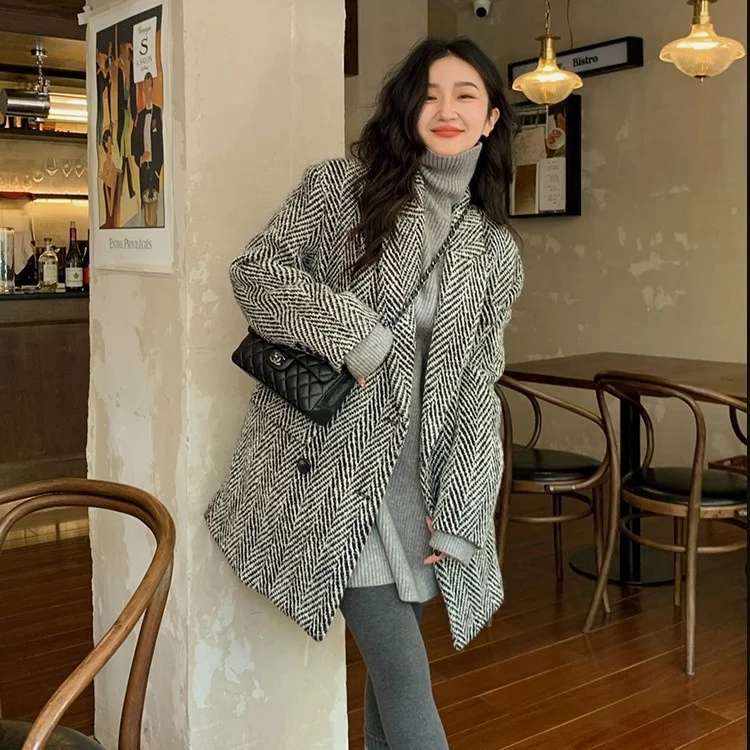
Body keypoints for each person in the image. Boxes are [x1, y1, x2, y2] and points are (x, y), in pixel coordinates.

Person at [205, 37, 524, 750]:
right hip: (333, 476)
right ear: (407, 108)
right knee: (406, 682)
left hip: (421, 490)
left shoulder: (493, 249)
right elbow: (255, 273)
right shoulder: (340, 190)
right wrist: (355, 336)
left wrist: (464, 510)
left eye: (466, 95)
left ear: (491, 118)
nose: (446, 109)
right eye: (430, 95)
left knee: (389, 688)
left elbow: (479, 387)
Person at [131, 72, 163, 203]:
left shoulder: (158, 112)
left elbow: (161, 141)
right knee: (144, 202)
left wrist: (157, 169)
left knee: (155, 203)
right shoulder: (141, 115)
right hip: (144, 167)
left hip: (154, 168)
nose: (147, 92)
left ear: (152, 89)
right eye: (145, 89)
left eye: (149, 88)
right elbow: (135, 141)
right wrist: (140, 158)